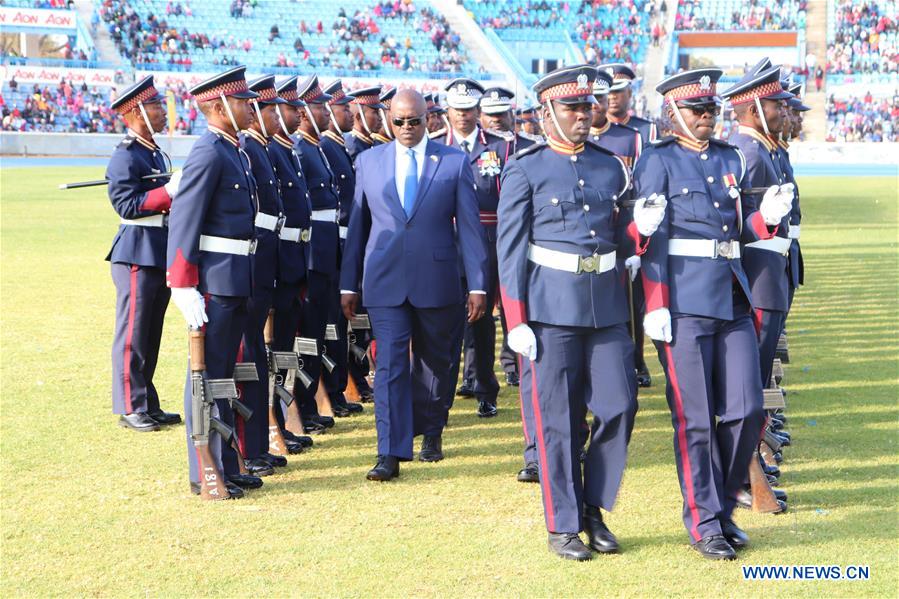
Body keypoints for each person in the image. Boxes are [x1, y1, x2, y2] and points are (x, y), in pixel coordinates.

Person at [497, 65, 661, 561]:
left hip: (606, 305)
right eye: (570, 109)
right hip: (550, 309)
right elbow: (508, 250)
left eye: (586, 107)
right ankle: (563, 524)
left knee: (620, 406)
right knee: (559, 421)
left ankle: (594, 507)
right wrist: (516, 319)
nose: (582, 117)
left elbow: (622, 237)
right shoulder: (525, 168)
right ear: (547, 112)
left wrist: (642, 230)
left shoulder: (611, 166)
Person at [634, 67, 792, 559]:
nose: (707, 117)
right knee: (696, 420)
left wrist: (762, 219)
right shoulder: (657, 162)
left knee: (746, 409)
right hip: (682, 304)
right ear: (673, 113)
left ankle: (722, 506)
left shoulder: (728, 157)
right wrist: (655, 305)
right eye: (697, 110)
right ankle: (705, 521)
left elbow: (737, 228)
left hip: (732, 295)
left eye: (711, 109)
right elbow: (648, 236)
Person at [340, 89, 488, 481]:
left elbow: (471, 229)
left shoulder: (454, 162)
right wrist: (347, 283)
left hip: (437, 278)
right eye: (400, 121)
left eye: (415, 121)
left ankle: (431, 429)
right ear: (390, 119)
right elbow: (358, 227)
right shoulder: (369, 162)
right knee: (388, 364)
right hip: (384, 279)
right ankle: (388, 451)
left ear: (429, 119)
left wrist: (478, 285)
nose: (407, 128)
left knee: (435, 363)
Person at [166, 66, 264, 499]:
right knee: (205, 377)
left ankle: (226, 462)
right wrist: (182, 284)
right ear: (220, 107)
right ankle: (203, 472)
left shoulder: (234, 150)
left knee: (224, 376)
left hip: (238, 276)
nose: (250, 107)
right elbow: (185, 219)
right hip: (216, 281)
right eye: (242, 102)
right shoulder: (209, 152)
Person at [106, 75, 181, 432]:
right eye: (154, 107)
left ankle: (146, 400)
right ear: (135, 112)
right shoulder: (126, 155)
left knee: (151, 333)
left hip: (158, 250)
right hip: (137, 251)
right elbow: (127, 204)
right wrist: (169, 192)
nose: (162, 112)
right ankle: (130, 405)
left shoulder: (151, 151)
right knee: (133, 333)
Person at [432, 78, 507, 418]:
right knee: (445, 317)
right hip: (444, 240)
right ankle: (441, 394)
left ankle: (484, 388)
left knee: (481, 320)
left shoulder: (500, 146)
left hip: (486, 238)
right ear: (447, 111)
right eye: (456, 110)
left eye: (467, 110)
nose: (462, 116)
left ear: (478, 111)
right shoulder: (433, 146)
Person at [721, 65, 795, 394]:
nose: (784, 111)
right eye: (776, 105)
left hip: (770, 270)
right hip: (758, 273)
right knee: (752, 371)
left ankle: (759, 435)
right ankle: (753, 442)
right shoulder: (747, 152)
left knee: (760, 367)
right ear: (754, 111)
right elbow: (739, 222)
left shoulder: (759, 148)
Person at [232, 75, 292, 475]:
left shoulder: (261, 149)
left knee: (259, 355)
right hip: (249, 262)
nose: (274, 116)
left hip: (268, 259)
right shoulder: (247, 149)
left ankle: (257, 445)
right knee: (245, 358)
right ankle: (246, 447)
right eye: (268, 109)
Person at [269, 75, 316, 448]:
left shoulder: (285, 150)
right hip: (276, 262)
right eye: (290, 108)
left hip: (295, 259)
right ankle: (273, 424)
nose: (299, 114)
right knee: (274, 349)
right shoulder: (267, 151)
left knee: (286, 347)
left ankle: (282, 420)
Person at [293, 75, 341, 433]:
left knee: (321, 331)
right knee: (308, 334)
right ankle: (305, 406)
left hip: (326, 246)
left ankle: (313, 402)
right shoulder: (301, 149)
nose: (327, 112)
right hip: (313, 250)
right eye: (320, 106)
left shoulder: (317, 147)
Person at [320, 78, 367, 414]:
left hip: (344, 242)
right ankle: (333, 391)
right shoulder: (328, 147)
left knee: (344, 323)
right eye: (342, 107)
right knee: (332, 325)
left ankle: (342, 387)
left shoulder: (336, 147)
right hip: (330, 243)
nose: (349, 112)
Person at [600, 63, 658, 144]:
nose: (612, 96)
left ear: (630, 93)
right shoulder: (590, 130)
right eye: (608, 92)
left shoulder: (648, 131)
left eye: (617, 91)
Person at [344, 85, 386, 161]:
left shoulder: (367, 142)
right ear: (359, 117)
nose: (380, 118)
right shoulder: (353, 147)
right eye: (375, 113)